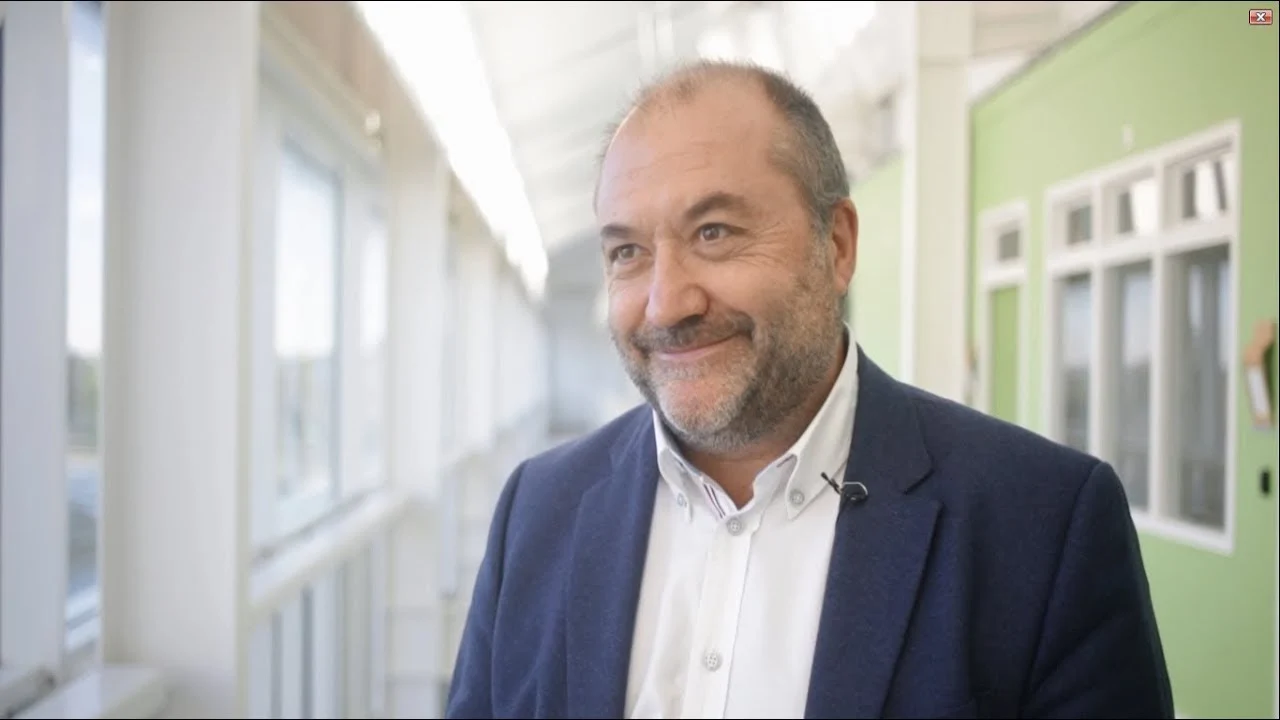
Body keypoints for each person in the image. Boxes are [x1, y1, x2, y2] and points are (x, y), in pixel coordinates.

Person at [445, 60, 1174, 719]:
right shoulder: (537, 512)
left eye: (714, 232)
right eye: (628, 251)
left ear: (838, 245)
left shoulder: (1042, 526)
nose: (665, 305)